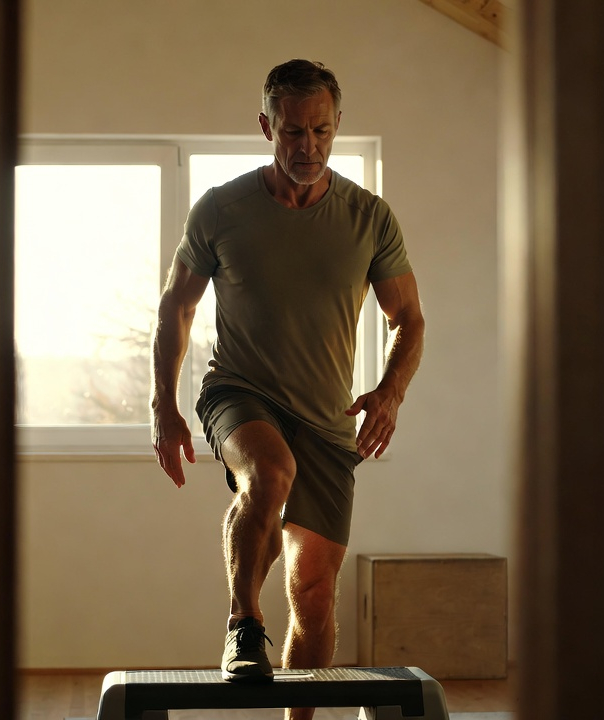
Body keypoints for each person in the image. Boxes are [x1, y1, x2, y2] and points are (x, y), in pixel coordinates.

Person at [150, 59, 425, 713]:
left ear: (337, 125)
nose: (308, 146)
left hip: (327, 420)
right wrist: (164, 404)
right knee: (268, 475)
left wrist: (390, 392)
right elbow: (177, 307)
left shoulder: (368, 218)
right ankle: (244, 625)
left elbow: (409, 319)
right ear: (266, 126)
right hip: (238, 391)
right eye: (293, 131)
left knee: (314, 593)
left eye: (321, 131)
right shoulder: (222, 209)